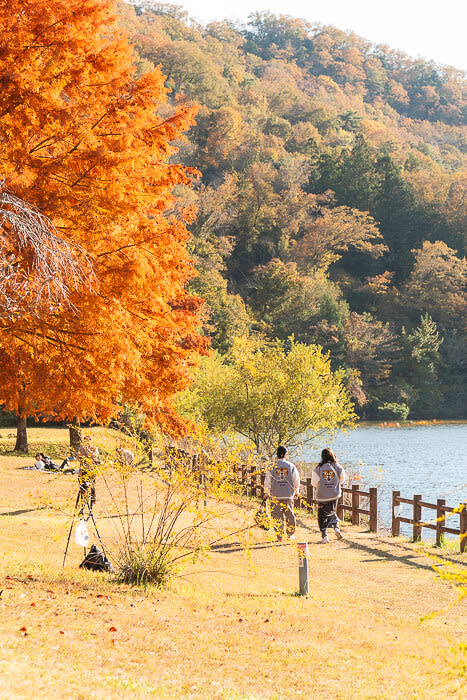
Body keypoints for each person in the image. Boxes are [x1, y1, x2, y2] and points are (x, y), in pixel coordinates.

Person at [263, 445, 301, 541]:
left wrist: (266, 492)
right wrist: (296, 491)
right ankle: (290, 534)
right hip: (288, 494)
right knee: (289, 515)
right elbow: (296, 480)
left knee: (276, 515)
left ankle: (279, 536)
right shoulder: (291, 466)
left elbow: (267, 481)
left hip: (275, 495)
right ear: (285, 454)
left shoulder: (271, 466)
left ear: (277, 454)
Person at [312, 448, 345, 544]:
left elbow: (314, 482)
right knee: (332, 511)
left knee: (322, 515)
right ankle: (336, 528)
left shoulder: (318, 468)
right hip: (334, 494)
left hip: (322, 495)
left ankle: (324, 536)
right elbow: (342, 479)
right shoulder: (338, 466)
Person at [78, 436, 99, 508]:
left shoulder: (94, 448)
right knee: (83, 487)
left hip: (91, 470)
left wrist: (88, 451)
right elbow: (79, 457)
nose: (86, 442)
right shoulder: (81, 448)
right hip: (83, 469)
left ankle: (92, 501)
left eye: (87, 440)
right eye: (85, 441)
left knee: (92, 486)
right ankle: (82, 503)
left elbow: (95, 456)